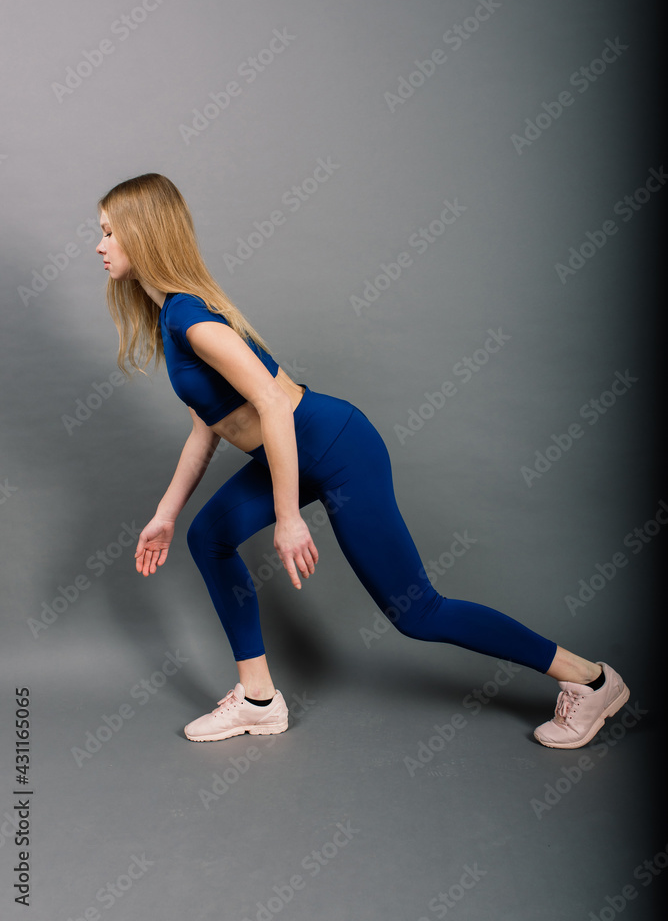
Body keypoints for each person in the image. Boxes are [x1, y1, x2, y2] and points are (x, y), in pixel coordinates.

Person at [96, 172, 629, 751]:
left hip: (337, 446)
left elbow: (274, 402)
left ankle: (591, 679)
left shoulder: (189, 318)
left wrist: (289, 516)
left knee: (418, 612)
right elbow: (210, 425)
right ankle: (257, 699)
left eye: (108, 233)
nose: (99, 247)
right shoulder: (171, 317)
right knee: (208, 537)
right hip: (299, 445)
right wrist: (165, 513)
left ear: (143, 236)